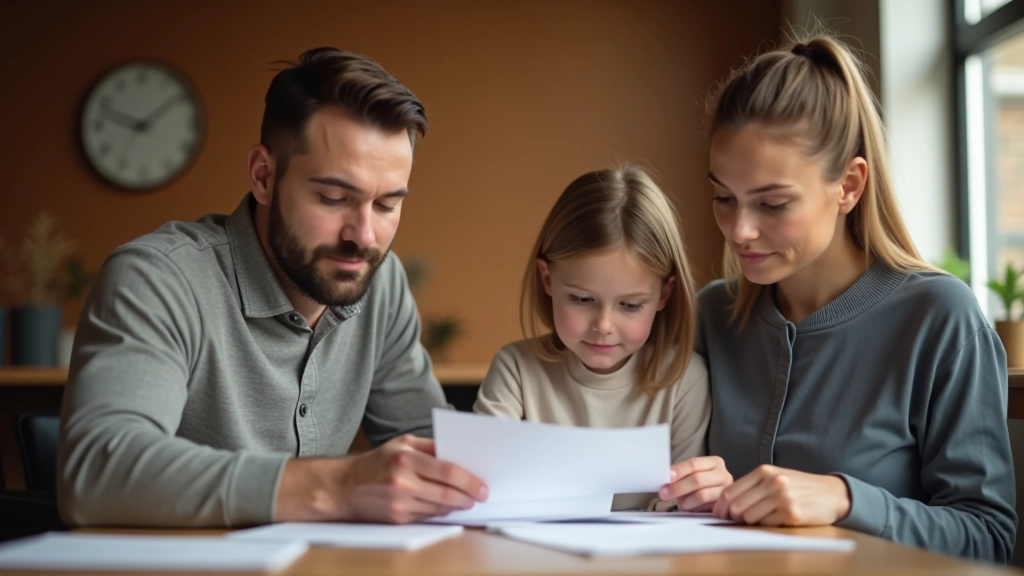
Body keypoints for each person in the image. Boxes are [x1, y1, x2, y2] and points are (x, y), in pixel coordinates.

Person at [58, 47, 489, 527]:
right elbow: (98, 472)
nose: (363, 237)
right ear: (263, 176)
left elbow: (438, 461)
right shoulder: (158, 279)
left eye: (387, 205)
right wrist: (338, 486)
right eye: (332, 198)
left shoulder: (381, 286)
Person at [688, 33, 1016, 562]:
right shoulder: (711, 316)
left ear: (850, 184)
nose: (740, 230)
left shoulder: (940, 318)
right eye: (724, 198)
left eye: (772, 204)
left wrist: (844, 499)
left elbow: (988, 536)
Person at [474, 165, 731, 511]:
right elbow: (480, 487)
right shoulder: (515, 371)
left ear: (664, 295)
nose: (604, 325)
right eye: (582, 300)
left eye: (630, 305)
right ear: (547, 279)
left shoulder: (685, 380)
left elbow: (685, 507)